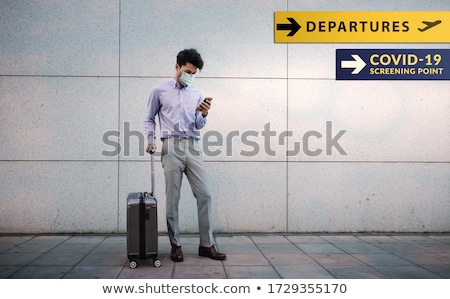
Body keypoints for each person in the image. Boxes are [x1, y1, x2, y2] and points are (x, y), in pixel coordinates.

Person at [144, 49, 226, 262]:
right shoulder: (159, 90)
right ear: (177, 67)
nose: (190, 75)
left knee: (205, 194)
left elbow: (198, 124)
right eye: (187, 71)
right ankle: (176, 245)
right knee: (173, 198)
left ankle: (206, 245)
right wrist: (150, 141)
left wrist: (204, 113)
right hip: (170, 146)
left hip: (193, 146)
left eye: (194, 73)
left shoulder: (196, 93)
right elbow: (149, 118)